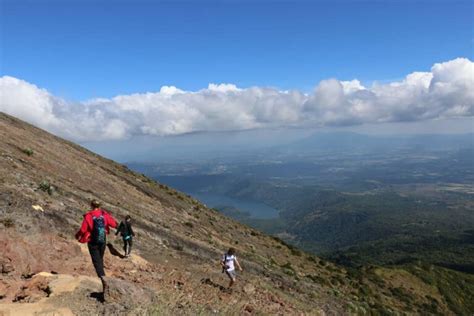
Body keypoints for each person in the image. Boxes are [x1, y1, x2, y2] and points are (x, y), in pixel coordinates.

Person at [75, 200, 117, 299]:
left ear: (91, 205)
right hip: (102, 241)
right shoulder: (104, 214)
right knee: (100, 260)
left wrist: (77, 235)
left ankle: (104, 281)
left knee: (97, 262)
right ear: (100, 206)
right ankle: (104, 278)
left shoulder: (89, 216)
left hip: (92, 241)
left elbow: (83, 229)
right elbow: (114, 224)